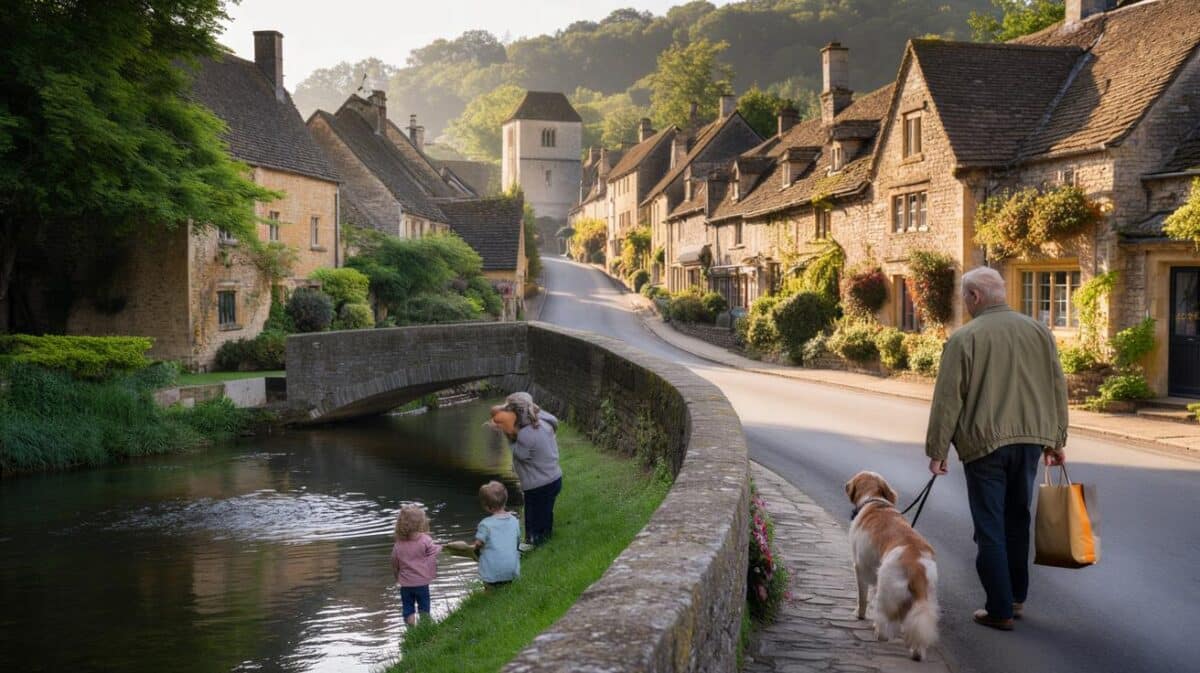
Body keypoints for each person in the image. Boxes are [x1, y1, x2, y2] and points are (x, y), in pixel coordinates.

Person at [925, 266, 1068, 632]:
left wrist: (937, 450)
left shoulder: (965, 338)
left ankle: (999, 609)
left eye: (964, 298)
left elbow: (948, 400)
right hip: (1031, 442)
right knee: (1018, 519)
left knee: (990, 527)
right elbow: (1056, 388)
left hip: (985, 445)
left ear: (974, 297)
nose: (964, 304)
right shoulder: (1040, 332)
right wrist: (1057, 440)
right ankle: (1016, 598)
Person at [489, 392, 563, 548]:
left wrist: (509, 436)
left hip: (538, 484)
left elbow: (521, 455)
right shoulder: (544, 422)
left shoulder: (525, 434)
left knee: (533, 515)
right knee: (545, 511)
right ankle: (545, 537)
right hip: (554, 478)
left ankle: (534, 541)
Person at [391, 506, 441, 626]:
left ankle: (411, 629)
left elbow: (394, 563)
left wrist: (397, 577)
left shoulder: (398, 545)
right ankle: (425, 627)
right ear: (421, 523)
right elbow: (433, 552)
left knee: (408, 608)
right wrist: (442, 547)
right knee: (424, 607)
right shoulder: (425, 540)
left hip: (406, 584)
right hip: (422, 582)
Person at [473, 480, 521, 588]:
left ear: (487, 507)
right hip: (511, 568)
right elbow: (517, 542)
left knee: (486, 558)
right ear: (505, 500)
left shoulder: (485, 524)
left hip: (492, 570)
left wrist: (473, 549)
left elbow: (478, 544)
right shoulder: (514, 521)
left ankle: (489, 590)